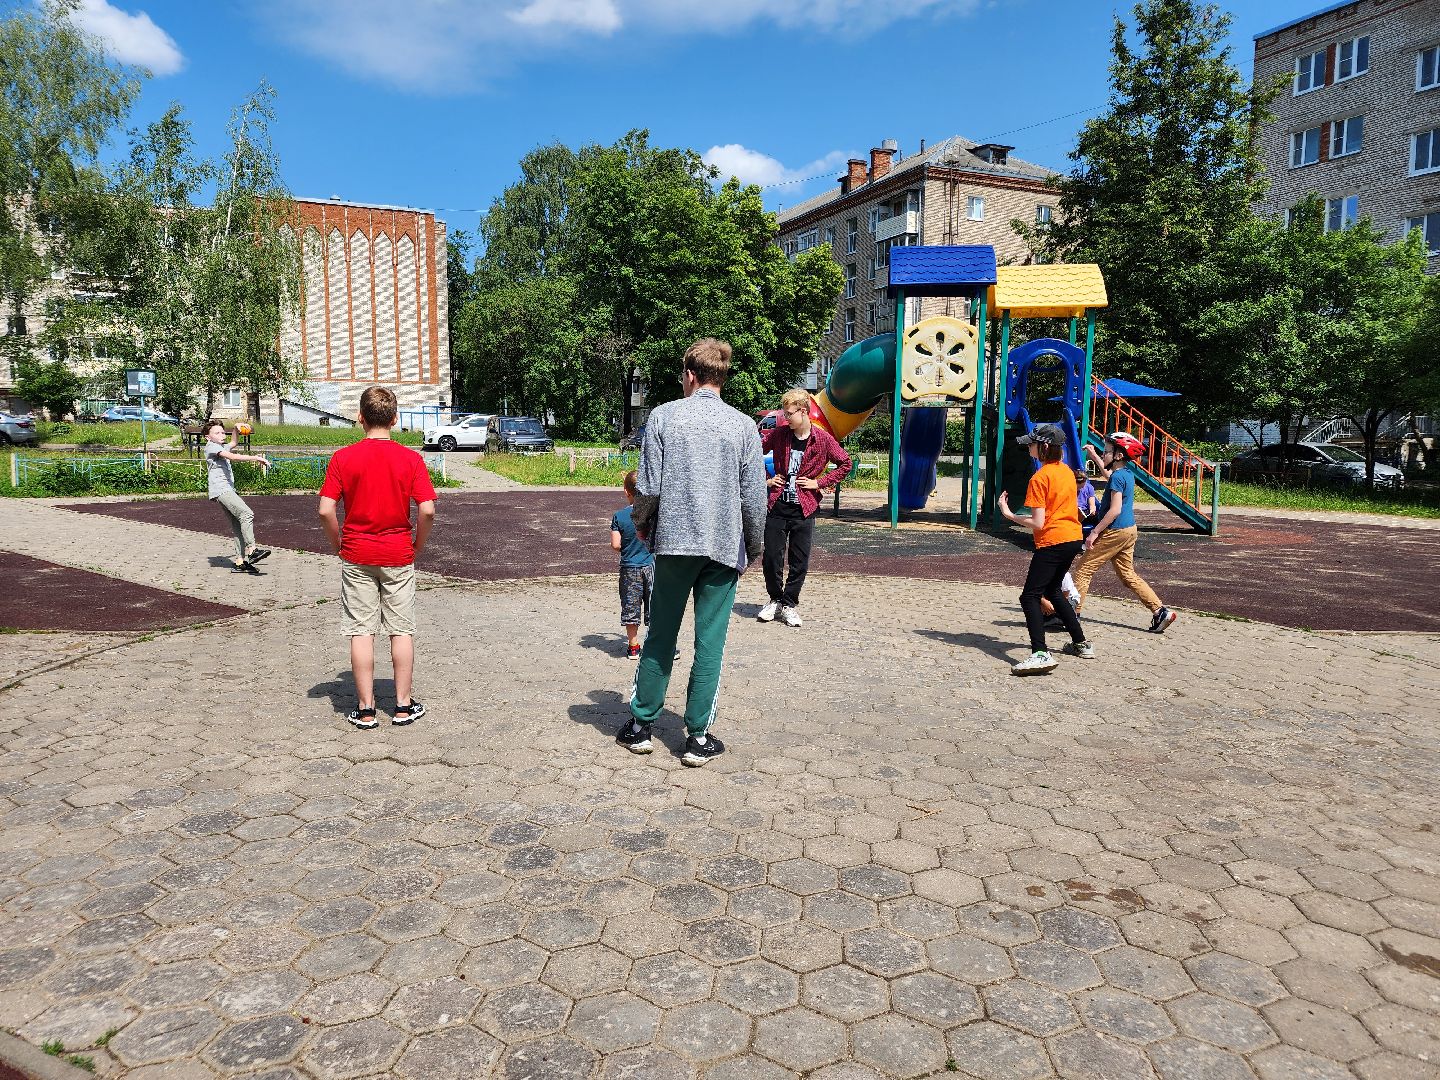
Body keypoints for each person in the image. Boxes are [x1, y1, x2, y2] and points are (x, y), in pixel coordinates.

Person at [616, 338, 767, 767]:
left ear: (689, 375)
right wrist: (751, 546)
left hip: (675, 545)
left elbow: (647, 487)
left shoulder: (663, 417)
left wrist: (643, 526)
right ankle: (698, 736)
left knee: (661, 633)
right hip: (722, 548)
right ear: (721, 376)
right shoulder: (743, 427)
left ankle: (641, 725)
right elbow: (754, 498)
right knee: (710, 643)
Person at [317, 386, 438, 729]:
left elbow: (326, 509)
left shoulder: (343, 458)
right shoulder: (410, 458)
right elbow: (427, 510)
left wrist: (337, 543)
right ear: (395, 419)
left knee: (361, 631)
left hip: (357, 553)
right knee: (401, 630)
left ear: (360, 417)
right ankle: (402, 705)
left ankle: (366, 708)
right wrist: (417, 544)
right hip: (398, 552)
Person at [998, 423, 1094, 675]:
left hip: (1053, 541)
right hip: (1073, 538)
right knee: (1052, 590)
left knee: (1029, 596)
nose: (1028, 446)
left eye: (1032, 443)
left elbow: (1038, 522)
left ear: (1044, 447)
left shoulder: (1039, 477)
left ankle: (1040, 653)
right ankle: (1081, 643)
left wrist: (1009, 515)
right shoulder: (1066, 472)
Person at [758, 388, 852, 628]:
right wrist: (765, 480)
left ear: (802, 411)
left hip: (805, 507)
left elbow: (845, 463)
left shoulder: (822, 440)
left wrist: (819, 483)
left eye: (789, 414)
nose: (785, 418)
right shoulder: (779, 435)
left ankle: (789, 604)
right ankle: (774, 600)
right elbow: (751, 454)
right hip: (777, 504)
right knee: (771, 558)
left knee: (799, 561)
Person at [1072, 432, 1178, 633]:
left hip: (1114, 531)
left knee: (1083, 569)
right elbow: (1110, 476)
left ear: (1119, 455)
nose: (1104, 454)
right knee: (1127, 574)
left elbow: (1115, 509)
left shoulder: (1118, 477)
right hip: (1129, 530)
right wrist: (1094, 455)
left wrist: (1095, 532)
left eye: (1107, 451)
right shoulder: (1126, 474)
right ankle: (1160, 611)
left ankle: (1071, 616)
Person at [202, 419, 271, 574]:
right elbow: (232, 457)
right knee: (247, 514)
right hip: (222, 490)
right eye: (217, 432)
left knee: (238, 524)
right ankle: (252, 550)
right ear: (208, 437)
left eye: (222, 432)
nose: (221, 435)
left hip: (225, 490)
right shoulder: (211, 447)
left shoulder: (220, 445)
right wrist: (256, 458)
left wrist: (234, 428)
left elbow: (233, 442)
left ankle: (240, 562)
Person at [611, 470, 655, 659]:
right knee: (656, 606)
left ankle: (633, 647)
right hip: (651, 566)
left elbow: (616, 545)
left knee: (631, 606)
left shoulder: (619, 516)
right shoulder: (652, 514)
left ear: (626, 491)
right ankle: (659, 646)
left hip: (630, 568)